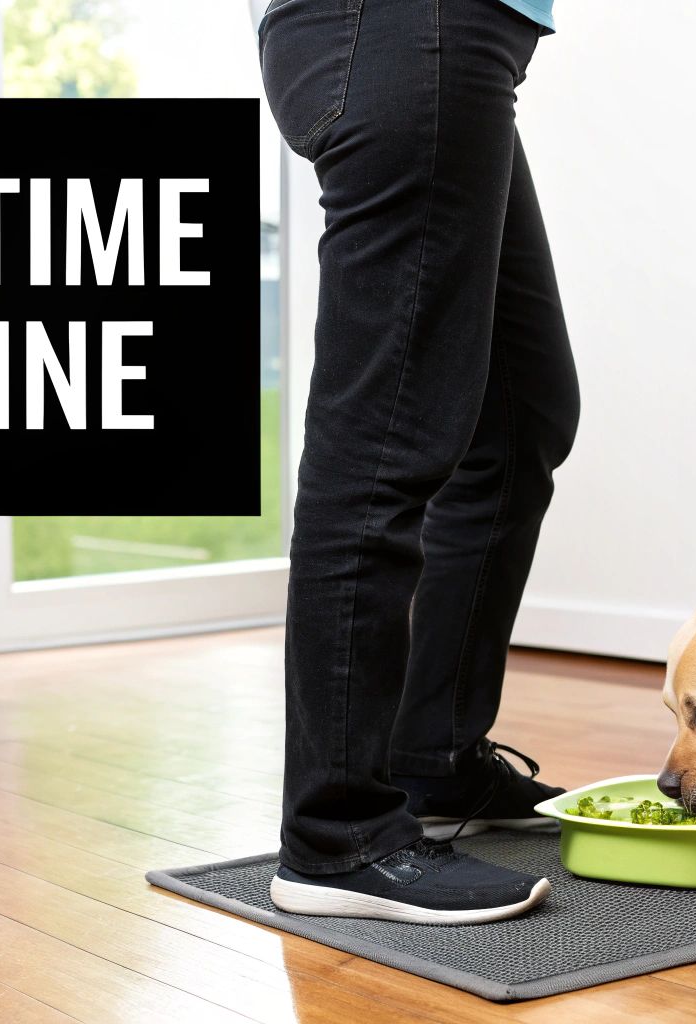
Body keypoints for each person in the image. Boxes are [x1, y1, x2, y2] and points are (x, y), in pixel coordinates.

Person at [256, 0, 577, 925]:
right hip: (407, 25)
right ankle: (337, 831)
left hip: (439, 39)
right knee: (385, 438)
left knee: (521, 418)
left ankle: (432, 755)